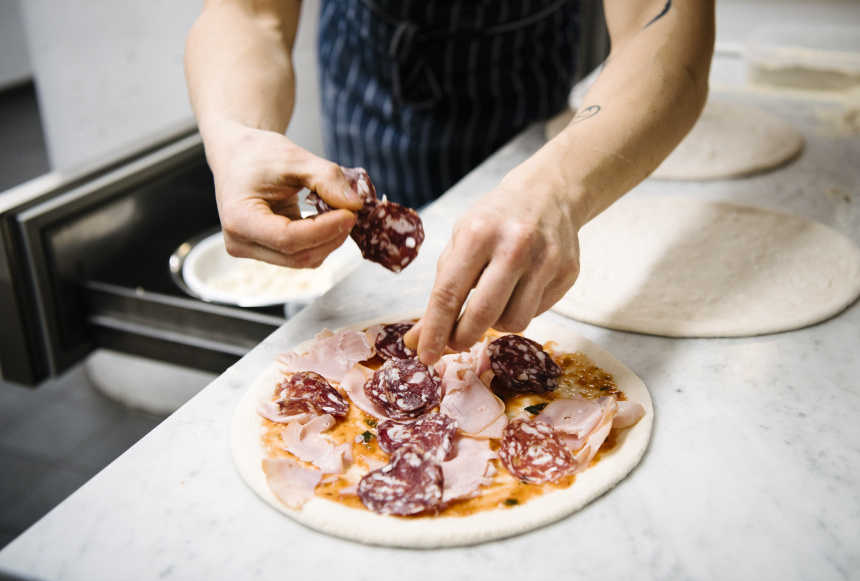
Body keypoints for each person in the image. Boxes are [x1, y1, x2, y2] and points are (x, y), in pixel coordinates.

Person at [184, 0, 715, 364]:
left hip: (526, 102)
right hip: (370, 85)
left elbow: (662, 24)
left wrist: (555, 188)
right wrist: (237, 137)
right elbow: (248, 12)